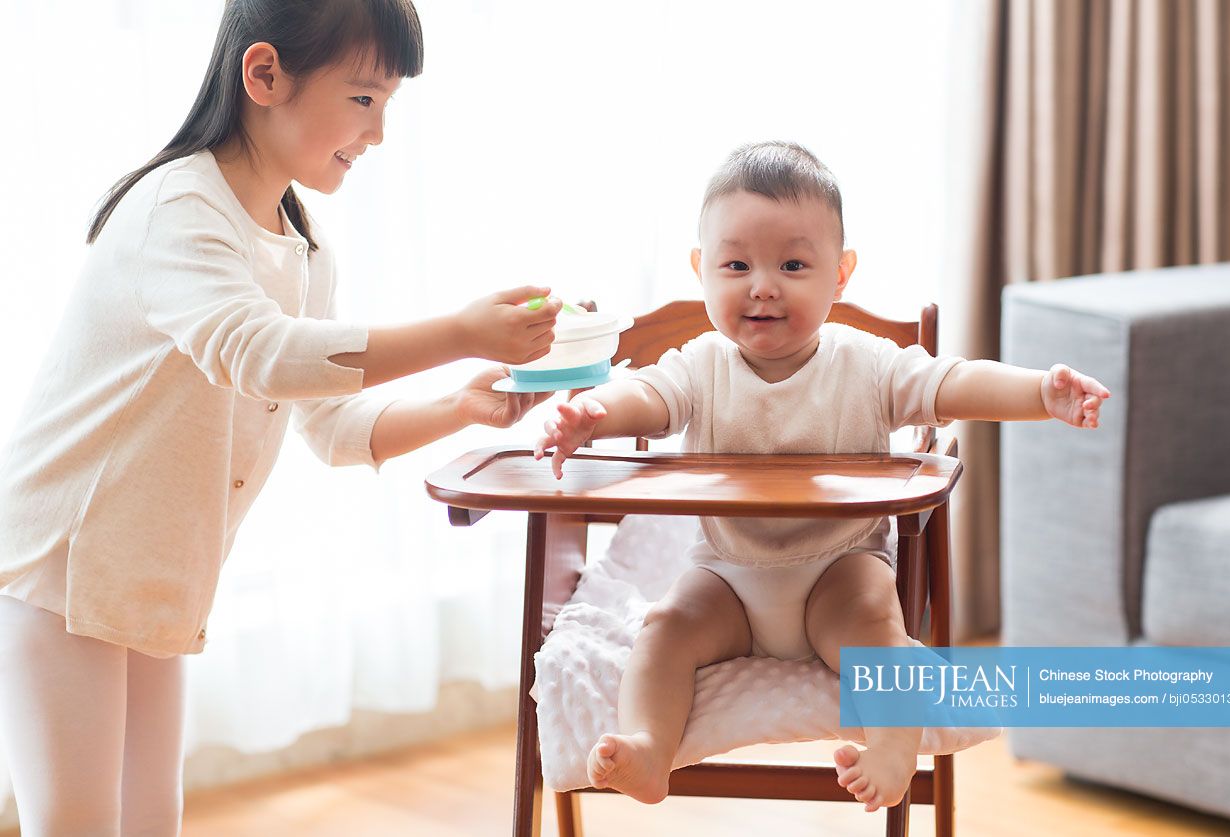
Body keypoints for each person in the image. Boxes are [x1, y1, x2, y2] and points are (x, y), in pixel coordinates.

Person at [0, 2, 560, 834]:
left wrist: (462, 403)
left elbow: (330, 427)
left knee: (153, 820)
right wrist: (456, 332)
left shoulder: (302, 243)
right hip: (63, 566)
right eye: (364, 98)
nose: (377, 133)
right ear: (263, 75)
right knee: (76, 823)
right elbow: (259, 353)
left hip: (156, 573)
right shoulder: (178, 209)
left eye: (389, 105)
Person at [533, 140, 1111, 812]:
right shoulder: (699, 363)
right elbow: (650, 399)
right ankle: (646, 747)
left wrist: (1041, 392)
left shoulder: (866, 365)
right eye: (736, 263)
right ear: (702, 270)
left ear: (839, 274)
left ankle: (893, 747)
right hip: (726, 574)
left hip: (835, 570)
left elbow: (954, 382)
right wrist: (594, 415)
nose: (762, 284)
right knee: (663, 627)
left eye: (792, 263)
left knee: (873, 616)